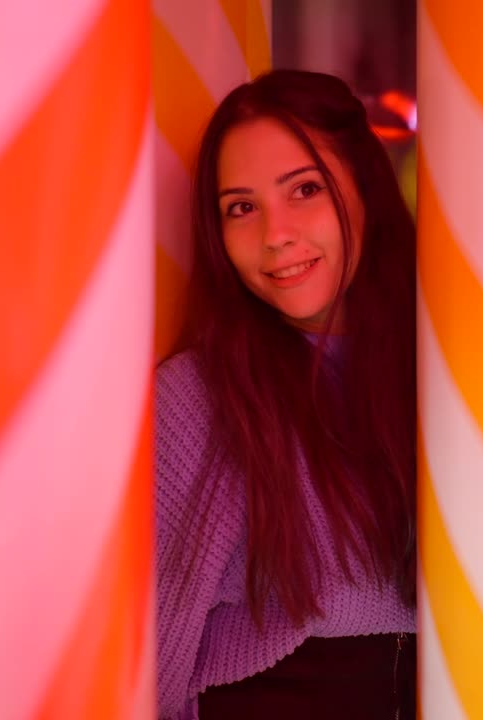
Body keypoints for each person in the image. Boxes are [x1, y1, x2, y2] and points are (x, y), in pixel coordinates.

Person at [154, 70, 417, 720]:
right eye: (241, 207)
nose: (275, 234)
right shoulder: (196, 400)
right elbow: (147, 665)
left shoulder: (442, 375)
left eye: (305, 190)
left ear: (362, 187)